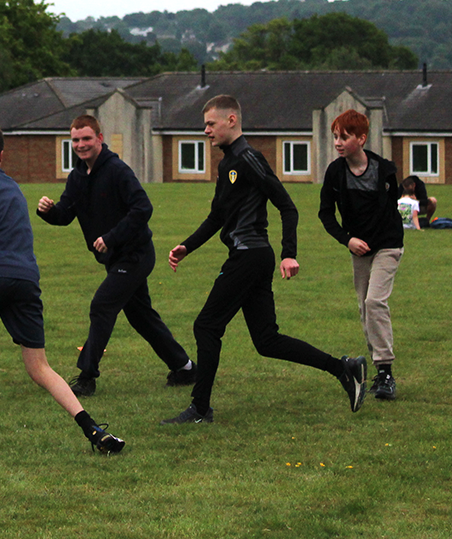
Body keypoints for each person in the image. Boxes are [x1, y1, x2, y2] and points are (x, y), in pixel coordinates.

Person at [163, 95, 368, 425]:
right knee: (266, 340)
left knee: (206, 325)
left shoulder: (248, 158)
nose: (205, 131)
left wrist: (290, 253)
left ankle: (200, 409)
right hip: (249, 257)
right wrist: (188, 247)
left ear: (231, 121)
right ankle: (343, 367)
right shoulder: (227, 163)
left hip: (250, 256)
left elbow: (287, 205)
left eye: (210, 124)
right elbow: (218, 216)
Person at [0, 124, 125, 454]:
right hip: (25, 278)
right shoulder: (13, 186)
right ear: (2, 156)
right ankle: (92, 429)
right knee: (39, 367)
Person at [37, 115, 195, 396]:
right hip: (115, 259)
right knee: (141, 317)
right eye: (75, 140)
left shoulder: (117, 171)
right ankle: (185, 368)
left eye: (87, 138)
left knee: (102, 305)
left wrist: (111, 237)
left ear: (100, 138)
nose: (81, 145)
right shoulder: (77, 177)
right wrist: (48, 212)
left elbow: (143, 208)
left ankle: (86, 377)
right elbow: (65, 214)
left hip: (135, 254)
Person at [318, 109, 404, 401]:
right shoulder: (335, 172)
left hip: (388, 246)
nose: (338, 143)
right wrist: (348, 240)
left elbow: (393, 207)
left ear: (362, 138)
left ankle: (386, 373)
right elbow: (326, 214)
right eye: (335, 137)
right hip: (360, 250)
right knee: (364, 308)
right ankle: (378, 369)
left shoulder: (384, 170)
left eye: (344, 137)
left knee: (375, 301)